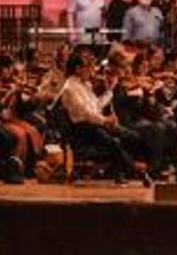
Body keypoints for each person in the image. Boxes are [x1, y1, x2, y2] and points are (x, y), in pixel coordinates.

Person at [59, 53, 141, 184]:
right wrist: (105, 121)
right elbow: (85, 113)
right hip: (81, 129)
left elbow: (96, 107)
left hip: (93, 124)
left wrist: (110, 90)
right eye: (88, 67)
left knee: (131, 136)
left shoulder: (85, 85)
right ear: (77, 69)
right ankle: (133, 170)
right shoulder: (69, 88)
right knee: (113, 142)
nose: (92, 71)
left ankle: (126, 170)